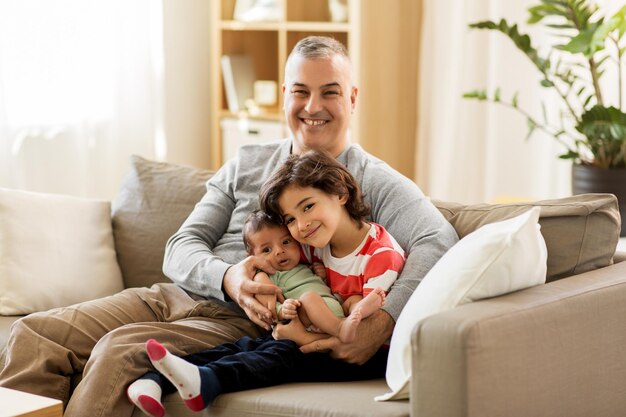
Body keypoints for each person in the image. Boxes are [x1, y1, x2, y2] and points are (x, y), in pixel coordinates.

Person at [0, 35, 459, 417]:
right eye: (300, 90)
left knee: (119, 351)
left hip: (239, 322)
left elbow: (437, 238)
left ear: (353, 98)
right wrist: (228, 276)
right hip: (176, 293)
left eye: (331, 91)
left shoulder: (370, 180)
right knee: (34, 333)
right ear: (284, 95)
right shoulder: (247, 162)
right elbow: (182, 243)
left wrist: (386, 319)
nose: (312, 105)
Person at [128, 169, 406, 415]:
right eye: (292, 219)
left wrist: (301, 336)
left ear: (340, 194)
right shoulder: (316, 243)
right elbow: (278, 264)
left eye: (307, 207)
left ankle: (208, 381)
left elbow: (362, 334)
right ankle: (158, 378)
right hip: (313, 329)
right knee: (246, 346)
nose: (302, 226)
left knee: (277, 355)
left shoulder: (380, 254)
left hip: (363, 355)